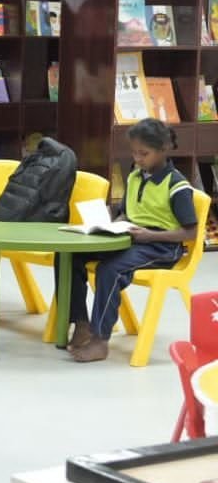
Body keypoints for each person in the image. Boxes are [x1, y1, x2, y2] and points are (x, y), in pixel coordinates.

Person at [63, 119, 197, 363]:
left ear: (163, 149)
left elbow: (190, 233)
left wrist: (150, 236)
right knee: (71, 255)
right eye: (134, 152)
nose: (137, 158)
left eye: (144, 153)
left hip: (162, 246)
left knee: (110, 270)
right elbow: (127, 213)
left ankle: (100, 340)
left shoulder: (177, 186)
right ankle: (81, 322)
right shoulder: (135, 177)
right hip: (132, 238)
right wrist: (110, 223)